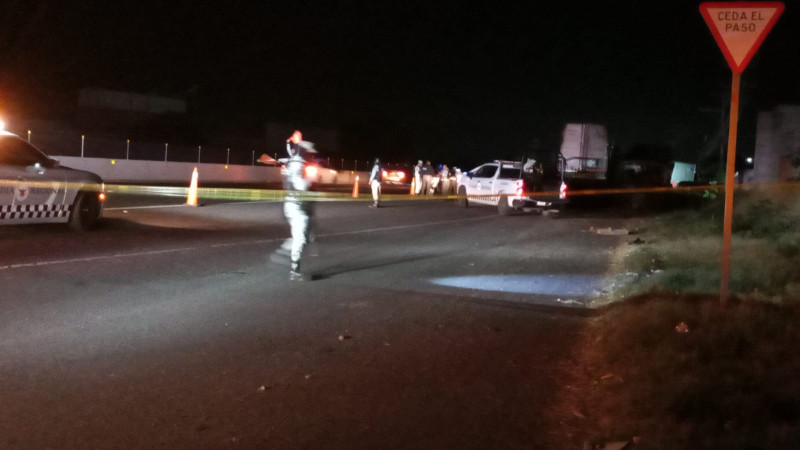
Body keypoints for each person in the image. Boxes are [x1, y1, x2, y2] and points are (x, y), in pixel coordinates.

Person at [277, 130, 316, 281]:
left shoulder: (291, 164)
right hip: (296, 206)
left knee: (302, 235)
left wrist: (292, 141)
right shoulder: (298, 168)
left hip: (291, 205)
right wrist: (310, 179)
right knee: (302, 237)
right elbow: (302, 186)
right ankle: (294, 270)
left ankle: (288, 250)